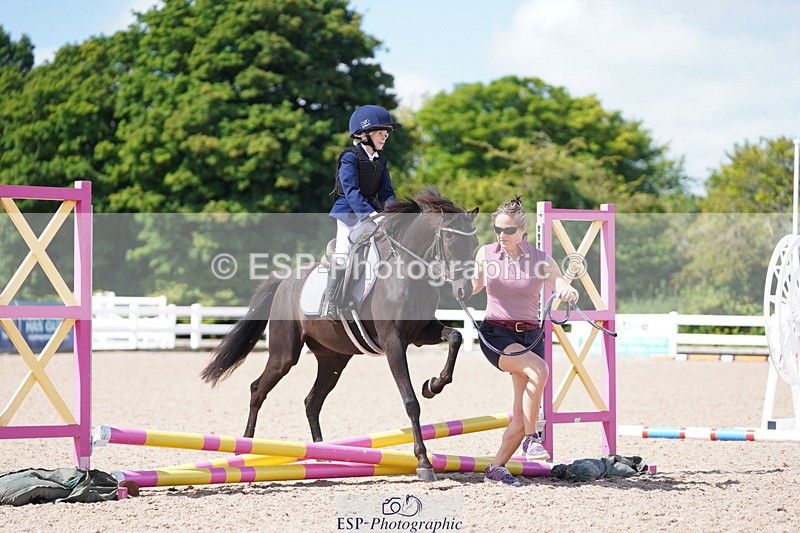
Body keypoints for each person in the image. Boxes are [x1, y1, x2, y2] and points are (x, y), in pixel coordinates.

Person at [472, 196, 579, 487]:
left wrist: (569, 291)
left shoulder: (541, 260)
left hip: (531, 336)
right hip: (497, 334)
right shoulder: (486, 253)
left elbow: (559, 282)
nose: (502, 236)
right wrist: (455, 279)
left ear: (522, 231)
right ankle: (532, 439)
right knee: (540, 370)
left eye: (508, 231)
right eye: (497, 230)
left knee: (520, 413)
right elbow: (473, 285)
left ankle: (496, 468)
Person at [320, 105, 401, 319]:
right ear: (364, 134)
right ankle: (329, 301)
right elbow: (351, 191)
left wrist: (393, 215)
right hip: (348, 212)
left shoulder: (381, 160)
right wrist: (371, 215)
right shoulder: (349, 157)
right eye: (381, 134)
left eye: (386, 135)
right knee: (344, 252)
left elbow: (387, 193)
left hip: (371, 213)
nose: (385, 138)